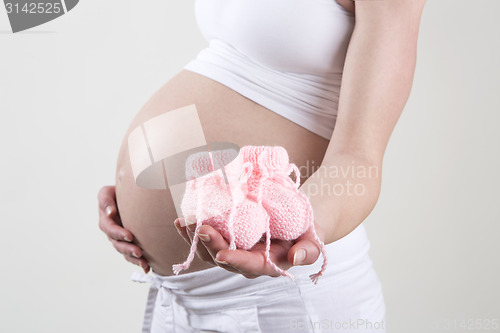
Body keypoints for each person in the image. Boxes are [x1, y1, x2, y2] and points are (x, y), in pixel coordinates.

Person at [98, 0, 426, 331]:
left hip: (281, 299)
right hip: (180, 300)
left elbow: (358, 159)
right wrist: (138, 190)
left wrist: (302, 232)